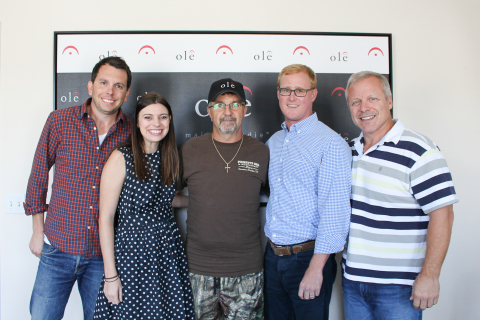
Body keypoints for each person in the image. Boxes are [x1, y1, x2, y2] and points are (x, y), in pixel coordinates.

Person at [341, 71, 458, 319]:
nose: (364, 108)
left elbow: (443, 214)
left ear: (389, 101)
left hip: (399, 288)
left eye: (372, 99)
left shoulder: (420, 150)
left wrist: (430, 275)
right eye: (356, 102)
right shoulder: (348, 151)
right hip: (353, 282)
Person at [24, 56, 132, 320]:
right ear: (90, 86)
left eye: (118, 86)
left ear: (127, 93)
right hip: (57, 247)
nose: (110, 91)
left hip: (103, 254)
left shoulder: (133, 131)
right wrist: (38, 231)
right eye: (104, 82)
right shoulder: (59, 121)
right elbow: (38, 175)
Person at [92, 92, 195, 319]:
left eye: (163, 117)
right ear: (137, 122)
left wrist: (203, 201)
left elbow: (165, 200)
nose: (156, 124)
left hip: (167, 252)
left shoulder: (169, 156)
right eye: (148, 117)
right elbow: (106, 219)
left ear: (170, 121)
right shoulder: (121, 158)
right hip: (133, 254)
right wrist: (111, 276)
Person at [264, 64, 352, 320]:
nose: (292, 97)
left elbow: (335, 213)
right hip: (272, 257)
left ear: (313, 94)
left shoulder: (331, 144)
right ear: (278, 94)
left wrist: (316, 269)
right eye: (286, 90)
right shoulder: (274, 142)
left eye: (300, 90)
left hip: (308, 260)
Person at [179, 78, 269, 319]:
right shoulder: (190, 149)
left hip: (246, 271)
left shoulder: (261, 151)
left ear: (244, 109)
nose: (227, 112)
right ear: (209, 111)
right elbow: (168, 196)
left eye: (234, 104)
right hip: (197, 270)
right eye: (219, 105)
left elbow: (279, 198)